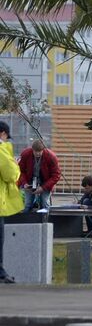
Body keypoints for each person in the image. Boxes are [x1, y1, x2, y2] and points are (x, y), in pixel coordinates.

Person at [0, 120, 23, 283]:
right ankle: (1, 273)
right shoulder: (1, 149)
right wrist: (15, 165)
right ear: (3, 134)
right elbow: (10, 174)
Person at [18, 137, 60, 211]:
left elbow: (56, 175)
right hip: (29, 180)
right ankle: (27, 220)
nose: (37, 153)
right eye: (35, 151)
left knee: (45, 203)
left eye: (40, 151)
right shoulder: (25, 154)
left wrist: (43, 188)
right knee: (27, 204)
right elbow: (20, 171)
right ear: (32, 149)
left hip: (46, 181)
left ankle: (46, 220)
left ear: (43, 149)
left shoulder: (51, 157)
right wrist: (24, 183)